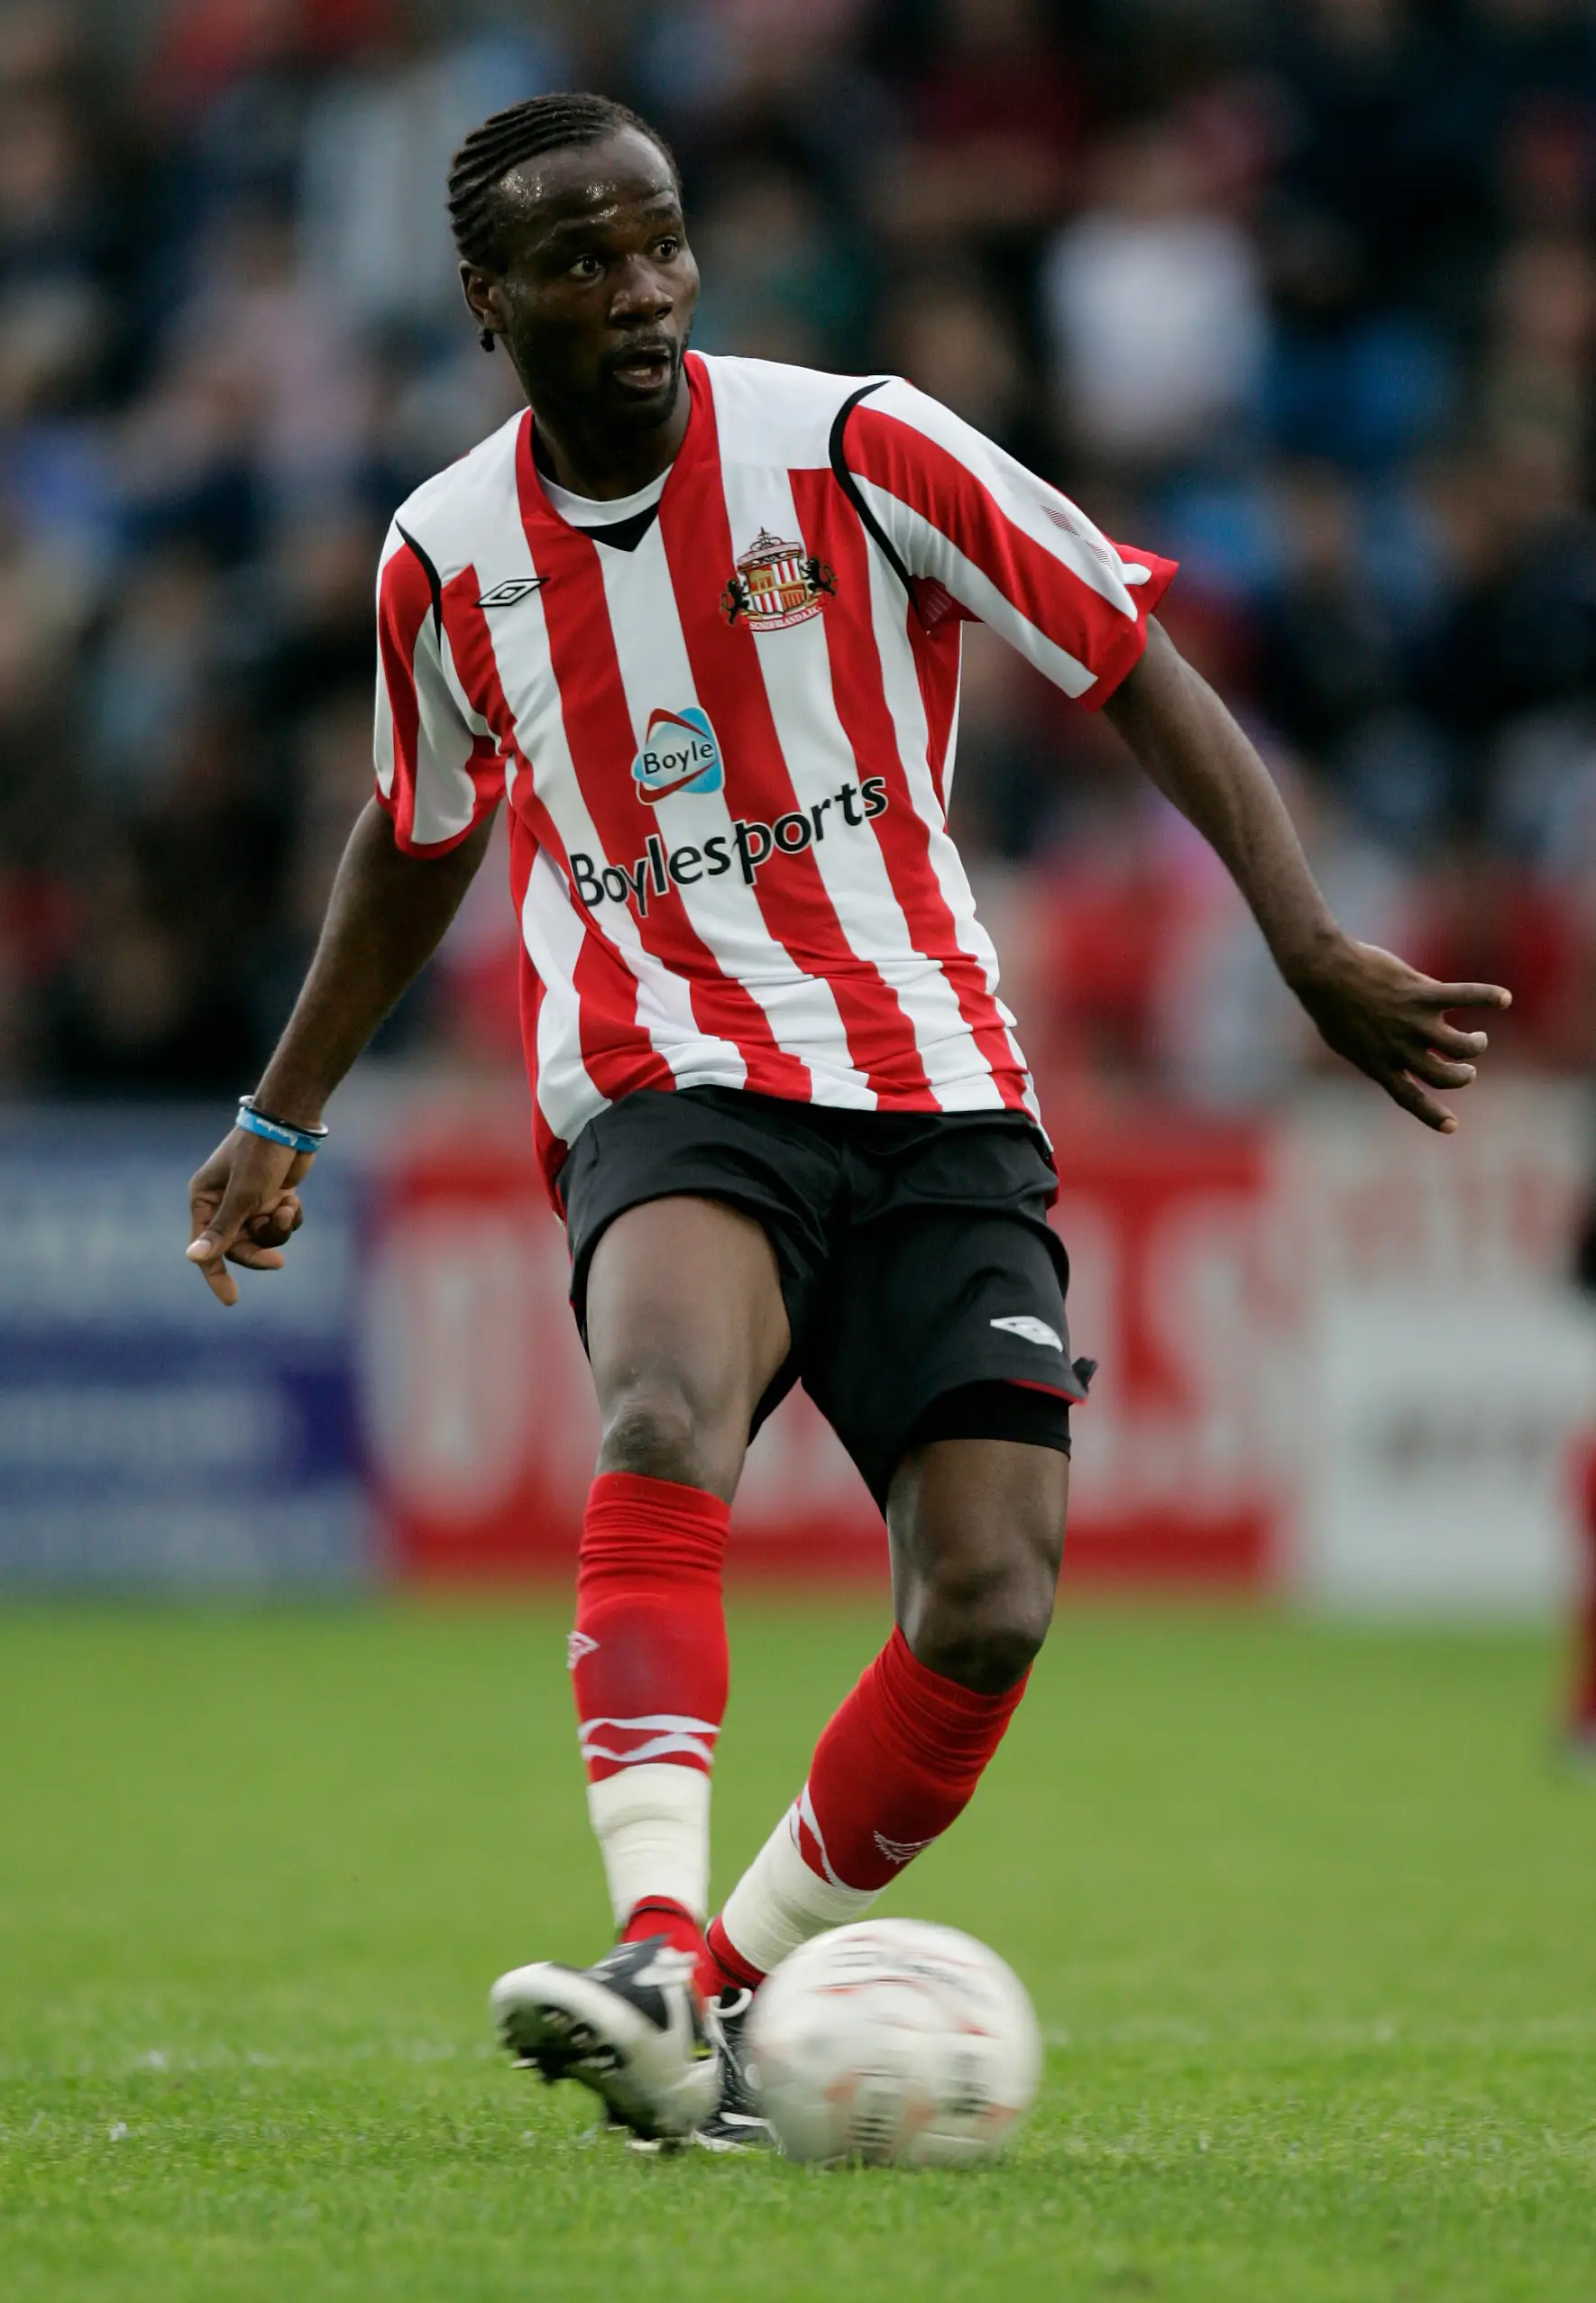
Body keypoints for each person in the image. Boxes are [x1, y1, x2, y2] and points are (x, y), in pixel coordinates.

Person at [185, 93, 1511, 2148]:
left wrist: (1308, 941)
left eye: (659, 244)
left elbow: (1128, 653)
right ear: (485, 302)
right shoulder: (442, 555)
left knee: (989, 1599)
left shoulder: (858, 440)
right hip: (663, 1073)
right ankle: (641, 1936)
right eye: (578, 260)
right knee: (660, 1411)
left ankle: (710, 1989)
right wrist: (283, 1106)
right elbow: (416, 836)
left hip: (931, 1082)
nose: (636, 290)